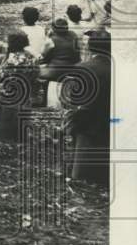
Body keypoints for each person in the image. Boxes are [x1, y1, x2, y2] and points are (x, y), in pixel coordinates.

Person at [66, 29, 111, 187]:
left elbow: (75, 98)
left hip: (88, 120)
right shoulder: (119, 67)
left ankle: (81, 174)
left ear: (91, 48)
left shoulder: (83, 67)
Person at [38, 17, 81, 108]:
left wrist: (47, 37)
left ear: (54, 29)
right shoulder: (74, 35)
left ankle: (44, 100)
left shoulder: (50, 41)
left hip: (56, 71)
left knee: (37, 71)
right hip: (74, 68)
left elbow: (42, 54)